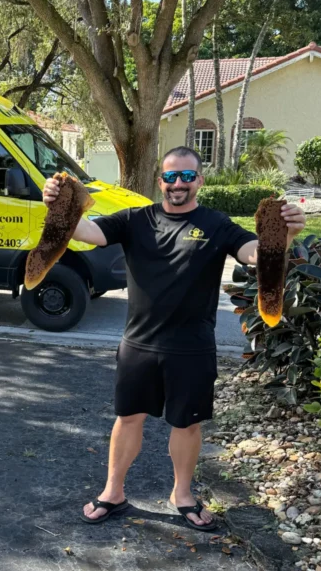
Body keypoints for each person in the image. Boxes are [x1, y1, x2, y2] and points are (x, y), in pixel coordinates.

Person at [42, 146, 306, 531]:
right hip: (139, 343)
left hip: (192, 346)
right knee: (127, 418)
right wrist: (57, 204)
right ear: (160, 181)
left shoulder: (216, 224)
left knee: (187, 425)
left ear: (199, 180)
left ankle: (182, 493)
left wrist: (283, 234)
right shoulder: (135, 219)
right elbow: (86, 232)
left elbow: (253, 253)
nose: (177, 184)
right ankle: (113, 491)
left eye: (186, 176)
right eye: (169, 176)